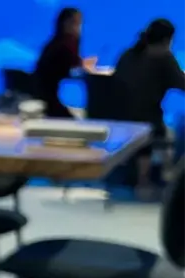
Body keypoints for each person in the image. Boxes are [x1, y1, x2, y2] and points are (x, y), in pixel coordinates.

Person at [114, 19, 185, 199]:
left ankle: (141, 176)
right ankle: (155, 180)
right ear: (167, 40)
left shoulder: (128, 55)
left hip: (118, 117)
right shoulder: (163, 59)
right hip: (148, 121)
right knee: (174, 127)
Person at [33, 7, 97, 118]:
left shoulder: (55, 43)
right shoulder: (67, 43)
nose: (79, 28)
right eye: (77, 23)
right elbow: (72, 64)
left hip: (43, 95)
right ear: (67, 23)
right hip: (50, 101)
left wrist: (81, 62)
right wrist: (83, 64)